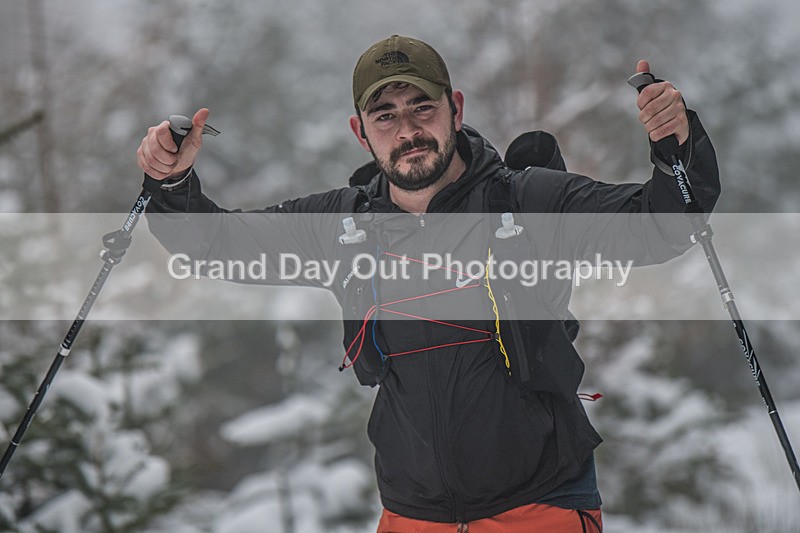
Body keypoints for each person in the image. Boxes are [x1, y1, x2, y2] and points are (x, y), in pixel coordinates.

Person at [137, 35, 719, 532]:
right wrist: (171, 183)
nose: (408, 130)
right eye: (385, 116)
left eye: (422, 107)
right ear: (361, 132)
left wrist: (677, 145)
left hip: (539, 507)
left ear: (455, 109)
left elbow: (662, 227)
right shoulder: (345, 227)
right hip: (412, 515)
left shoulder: (529, 202)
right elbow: (215, 245)